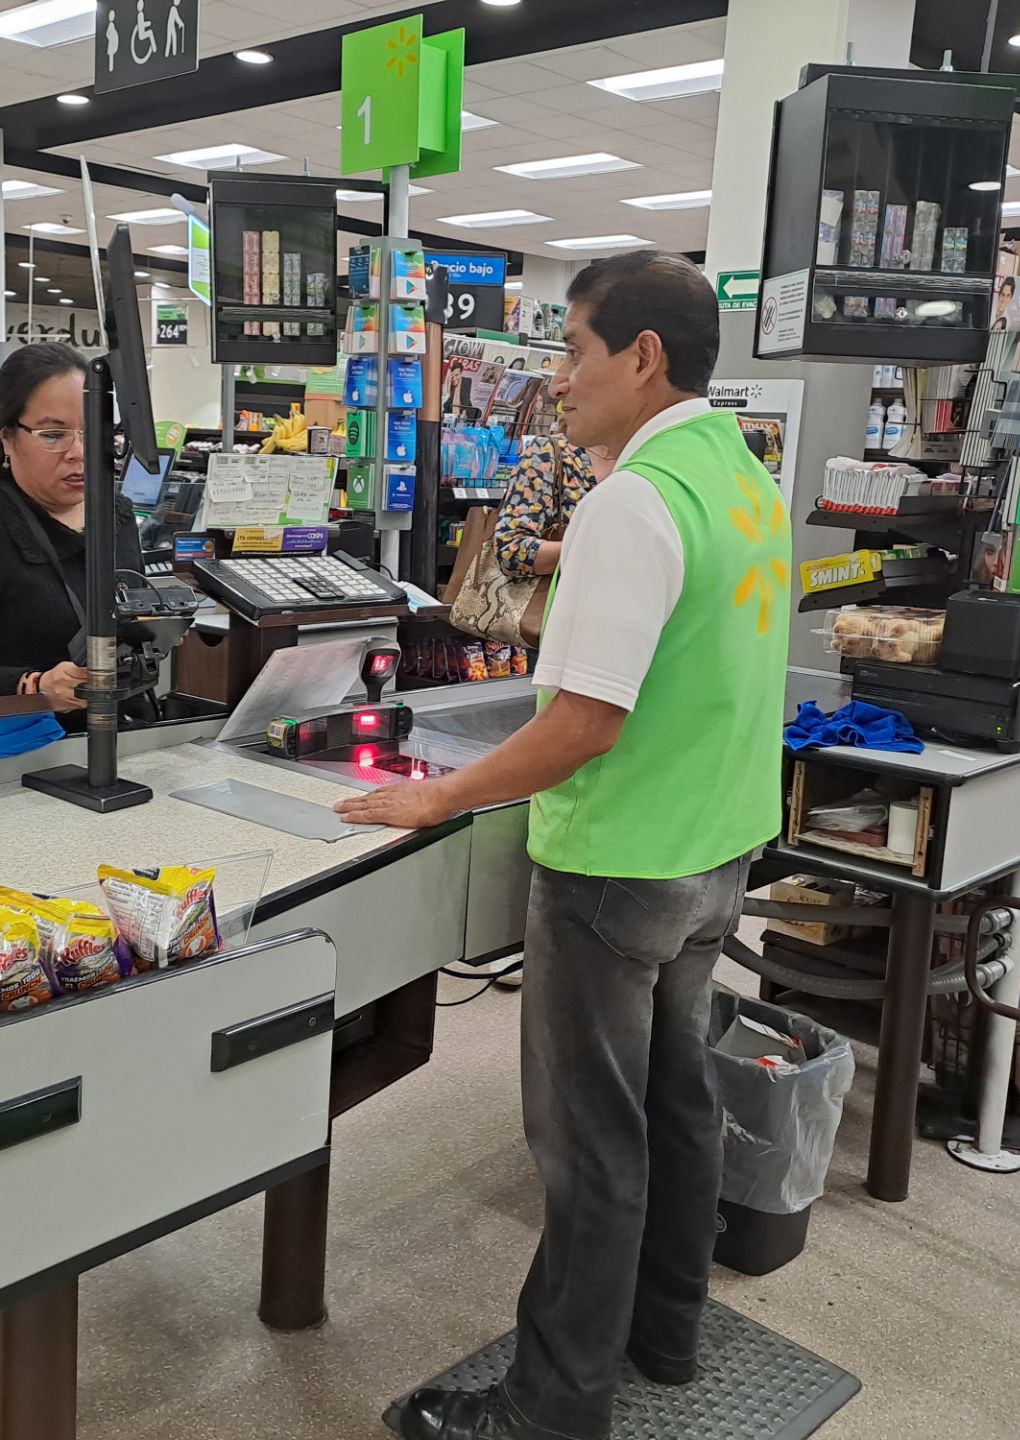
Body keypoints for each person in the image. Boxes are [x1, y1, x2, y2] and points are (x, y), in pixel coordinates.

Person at [336, 251, 792, 1440]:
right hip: (717, 853)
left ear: (642, 357)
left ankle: (551, 1408)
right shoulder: (744, 478)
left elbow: (585, 721)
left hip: (620, 867)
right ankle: (666, 1335)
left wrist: (435, 802)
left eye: (576, 352)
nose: (560, 382)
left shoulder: (633, 503)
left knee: (591, 1141)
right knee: (676, 1101)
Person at [0, 341, 143, 708]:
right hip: (22, 753)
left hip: (125, 740)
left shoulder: (118, 515)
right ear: (7, 438)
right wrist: (35, 686)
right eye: (52, 435)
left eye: (93, 431)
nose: (78, 452)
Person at [494, 429, 611, 580]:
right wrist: (599, 552)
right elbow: (510, 552)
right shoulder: (549, 451)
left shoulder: (641, 458)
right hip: (561, 598)